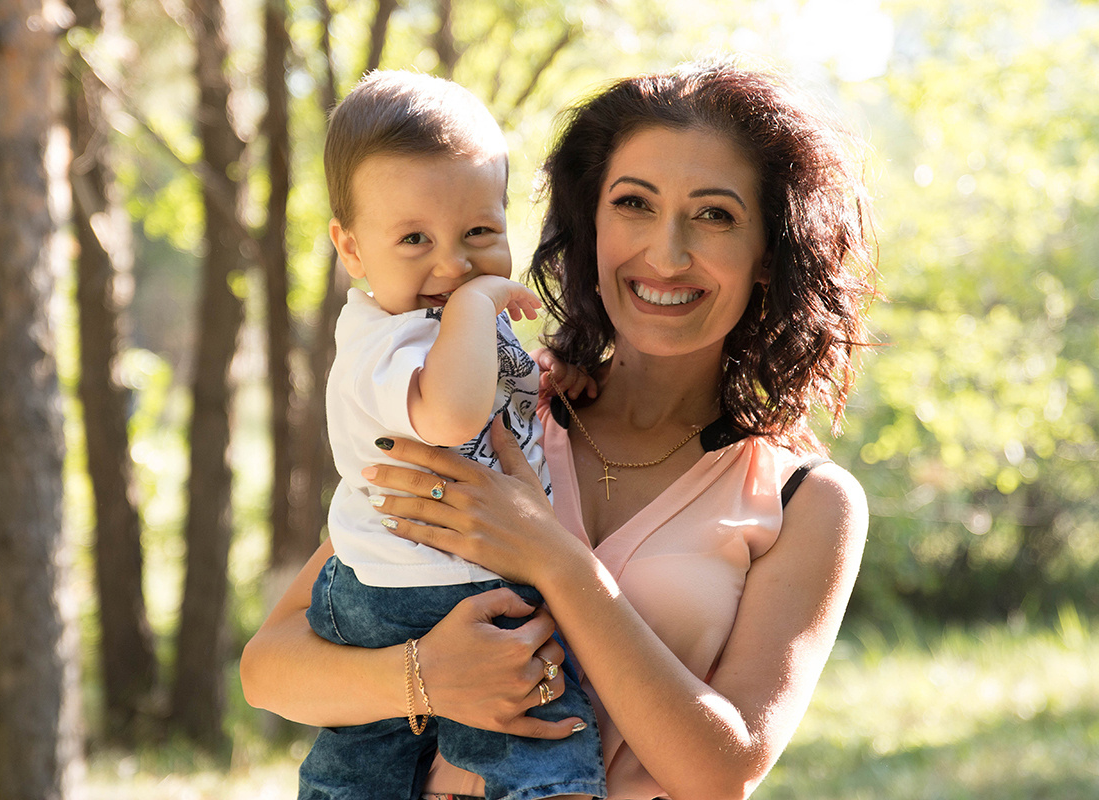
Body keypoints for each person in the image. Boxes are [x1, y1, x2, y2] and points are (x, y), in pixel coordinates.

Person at [242, 56, 877, 800]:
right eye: (633, 203)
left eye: (714, 215)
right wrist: (423, 679)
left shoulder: (806, 501)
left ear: (768, 254)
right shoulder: (495, 399)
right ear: (590, 223)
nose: (666, 255)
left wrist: (557, 562)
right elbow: (270, 668)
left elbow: (720, 772)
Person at [294, 69, 605, 800]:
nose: (451, 264)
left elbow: (498, 390)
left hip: (434, 573)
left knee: (366, 756)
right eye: (413, 239)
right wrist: (478, 302)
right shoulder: (382, 337)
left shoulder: (441, 316)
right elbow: (452, 413)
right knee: (531, 725)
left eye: (479, 233)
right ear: (353, 251)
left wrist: (549, 383)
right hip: (417, 586)